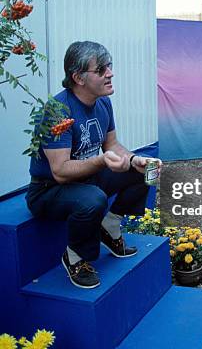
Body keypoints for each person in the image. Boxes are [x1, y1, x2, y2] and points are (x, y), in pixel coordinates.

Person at [26, 41, 160, 290]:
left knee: (146, 172)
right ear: (78, 77)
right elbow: (61, 171)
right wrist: (100, 161)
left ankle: (109, 227)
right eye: (101, 70)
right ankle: (74, 257)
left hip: (85, 180)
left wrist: (134, 160)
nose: (110, 73)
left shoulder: (103, 102)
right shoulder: (57, 111)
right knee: (93, 199)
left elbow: (112, 146)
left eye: (109, 66)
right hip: (48, 190)